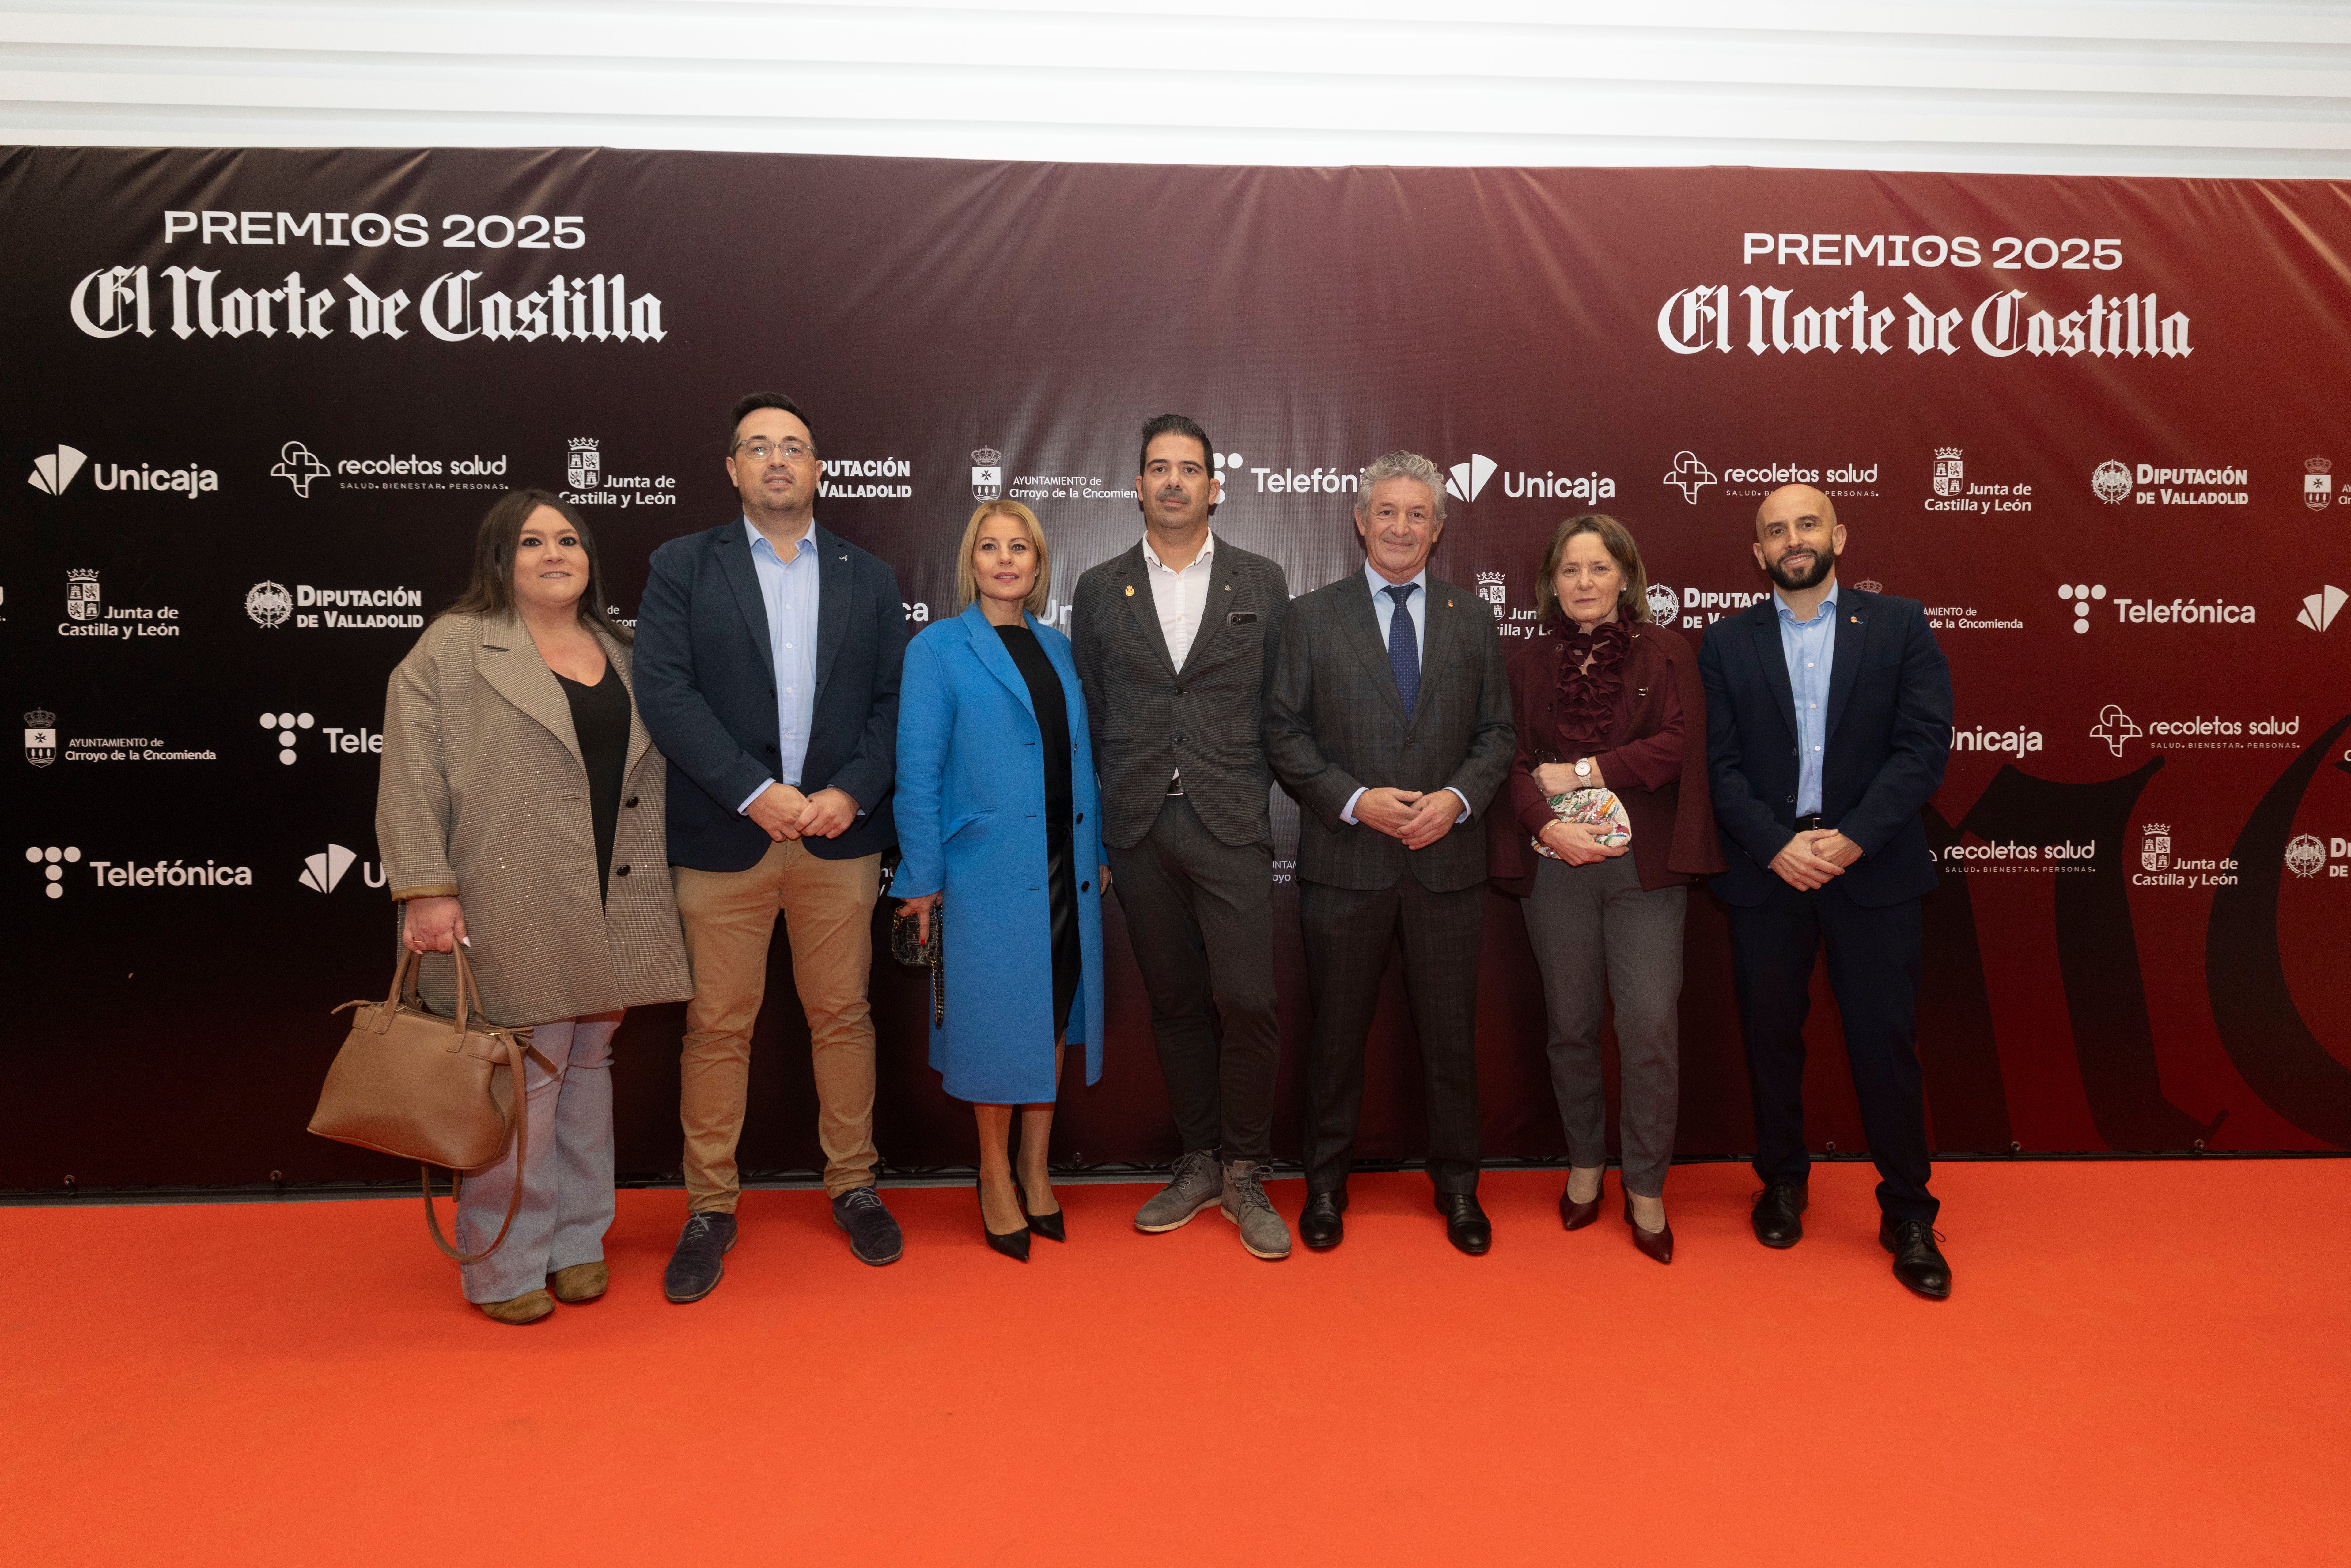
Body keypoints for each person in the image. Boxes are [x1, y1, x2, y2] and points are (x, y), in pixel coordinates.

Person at [377, 489, 693, 1325]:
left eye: (568, 539)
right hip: (506, 895)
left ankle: (577, 1243)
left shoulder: (623, 650)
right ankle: (505, 1262)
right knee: (526, 1080)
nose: (554, 554)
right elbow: (408, 775)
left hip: (613, 900)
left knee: (588, 1067)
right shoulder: (453, 647)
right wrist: (427, 889)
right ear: (499, 560)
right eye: (530, 542)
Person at [633, 392, 911, 1303]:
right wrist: (757, 794)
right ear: (732, 470)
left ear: (819, 467)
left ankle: (855, 1186)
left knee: (844, 1016)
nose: (778, 460)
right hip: (726, 836)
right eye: (759, 447)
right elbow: (667, 694)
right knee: (718, 1026)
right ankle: (710, 1206)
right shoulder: (682, 567)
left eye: (794, 445)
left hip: (839, 836)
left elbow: (891, 706)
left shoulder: (869, 577)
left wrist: (848, 792)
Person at [1698, 482, 1955, 1299]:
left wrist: (1849, 839)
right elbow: (1720, 767)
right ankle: (1781, 1181)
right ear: (1758, 552)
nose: (1793, 539)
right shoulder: (1725, 644)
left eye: (1807, 523)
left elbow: (1921, 750)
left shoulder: (1899, 626)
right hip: (1768, 873)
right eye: (1776, 530)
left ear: (1838, 534)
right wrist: (1777, 846)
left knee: (1885, 1044)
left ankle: (1908, 1210)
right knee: (1771, 1037)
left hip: (1869, 867)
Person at [1265, 451, 1515, 1256]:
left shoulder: (1473, 620)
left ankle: (1459, 1191)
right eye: (1387, 512)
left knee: (1450, 1043)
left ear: (1438, 530)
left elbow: (1497, 735)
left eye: (1417, 515)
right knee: (1335, 1042)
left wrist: (1456, 800)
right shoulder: (1309, 617)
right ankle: (1326, 1189)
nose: (1400, 527)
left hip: (1446, 866)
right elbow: (1283, 733)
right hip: (1346, 863)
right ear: (1360, 520)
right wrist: (1354, 798)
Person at [1071, 414, 1294, 1261]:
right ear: (1137, 486)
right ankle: (1200, 1160)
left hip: (1230, 819)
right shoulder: (1099, 587)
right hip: (1135, 825)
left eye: (1188, 469)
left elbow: (1282, 706)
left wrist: (1243, 785)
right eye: (1158, 469)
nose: (1173, 482)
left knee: (1248, 1000)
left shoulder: (1261, 580)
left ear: (1214, 485)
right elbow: (1094, 701)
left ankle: (1246, 1169)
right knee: (1174, 1003)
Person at [1487, 515, 1722, 1265]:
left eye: (1598, 568)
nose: (1584, 583)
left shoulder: (1669, 653)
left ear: (1626, 576)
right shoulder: (1526, 662)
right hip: (1556, 863)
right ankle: (1586, 1165)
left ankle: (1646, 1184)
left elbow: (1682, 744)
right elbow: (1508, 758)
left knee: (1650, 1023)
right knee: (1571, 1024)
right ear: (1550, 583)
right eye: (1569, 570)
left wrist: (1588, 772)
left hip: (1645, 870)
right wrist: (1547, 825)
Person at [894, 501, 1106, 1261]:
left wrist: (1098, 850)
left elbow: (1082, 761)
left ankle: (1035, 1167)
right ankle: (991, 1172)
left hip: (1064, 866)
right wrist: (922, 878)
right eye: (991, 546)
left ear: (1039, 562)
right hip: (983, 869)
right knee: (992, 1023)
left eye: (1021, 547)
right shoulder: (938, 649)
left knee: (1052, 1016)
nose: (1006, 559)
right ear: (971, 560)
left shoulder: (1058, 646)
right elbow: (916, 776)